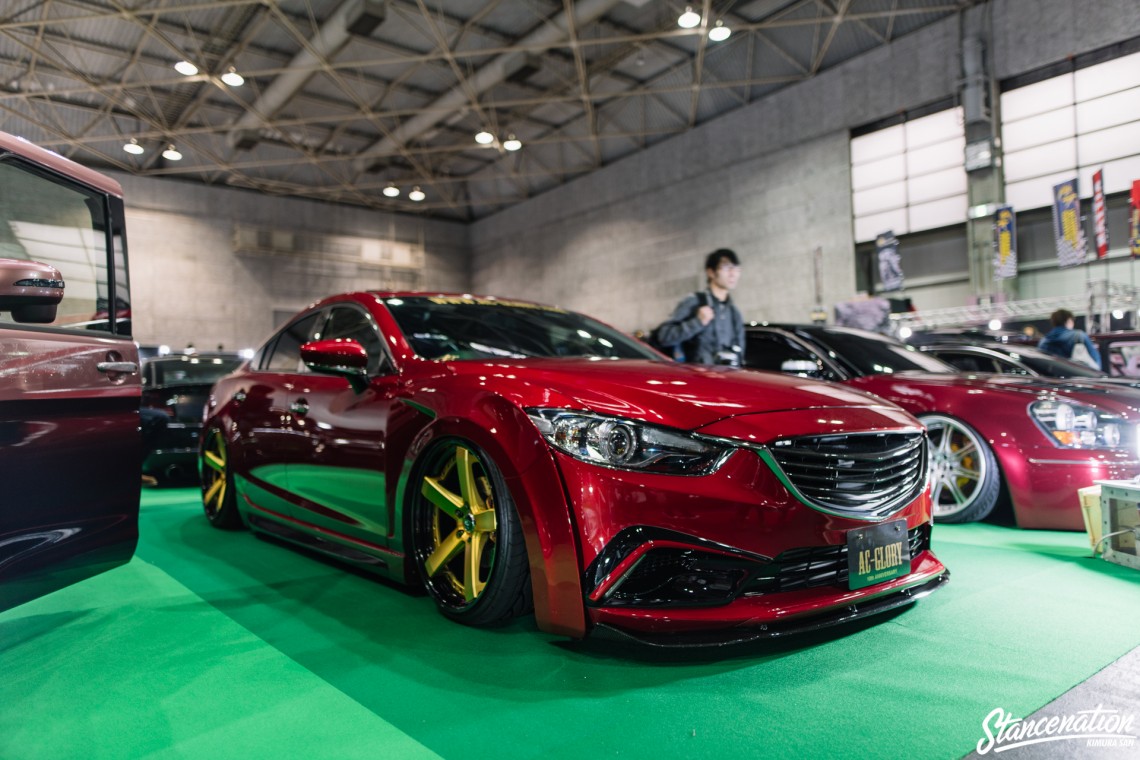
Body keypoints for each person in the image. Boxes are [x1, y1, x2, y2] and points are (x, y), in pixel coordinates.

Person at [655, 248, 745, 365]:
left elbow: (740, 354)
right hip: (697, 377)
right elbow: (664, 336)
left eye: (736, 269)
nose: (733, 274)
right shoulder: (695, 301)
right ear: (711, 272)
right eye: (727, 268)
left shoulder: (734, 313)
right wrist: (697, 322)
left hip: (726, 379)